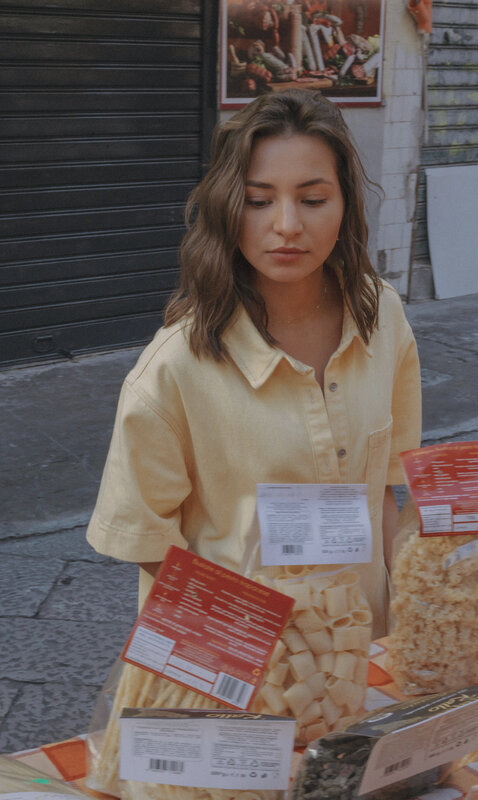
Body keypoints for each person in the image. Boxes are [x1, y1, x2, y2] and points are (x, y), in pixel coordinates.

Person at [86, 89, 421, 637]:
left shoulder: (381, 316)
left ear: (346, 206)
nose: (287, 224)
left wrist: (411, 608)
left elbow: (382, 491)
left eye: (313, 200)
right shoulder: (174, 369)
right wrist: (253, 645)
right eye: (259, 200)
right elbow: (147, 541)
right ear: (226, 206)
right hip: (245, 659)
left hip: (366, 643)